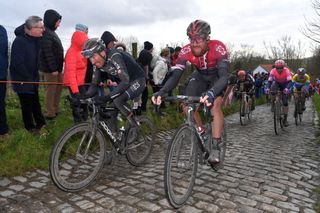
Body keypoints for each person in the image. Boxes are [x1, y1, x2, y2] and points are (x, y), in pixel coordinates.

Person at [152, 20, 229, 165]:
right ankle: (202, 133)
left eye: (199, 38)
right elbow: (175, 77)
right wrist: (162, 91)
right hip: (199, 75)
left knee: (215, 105)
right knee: (186, 105)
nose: (194, 43)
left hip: (216, 76)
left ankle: (216, 145)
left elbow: (224, 76)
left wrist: (212, 92)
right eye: (191, 38)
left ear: (207, 38)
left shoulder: (218, 47)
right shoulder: (186, 51)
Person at [81, 38, 146, 133]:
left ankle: (135, 125)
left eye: (93, 57)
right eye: (90, 58)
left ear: (102, 52)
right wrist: (83, 96)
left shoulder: (114, 56)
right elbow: (94, 85)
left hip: (138, 80)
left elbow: (125, 81)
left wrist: (106, 97)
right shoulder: (98, 63)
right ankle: (116, 137)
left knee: (118, 100)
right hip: (126, 81)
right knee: (110, 109)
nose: (92, 62)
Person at [10, 16, 46, 133]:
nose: (43, 30)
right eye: (41, 27)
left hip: (33, 77)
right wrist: (28, 78)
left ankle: (41, 124)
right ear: (32, 28)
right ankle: (30, 128)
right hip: (22, 79)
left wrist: (35, 76)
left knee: (35, 102)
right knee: (27, 105)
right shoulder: (19, 41)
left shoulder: (36, 40)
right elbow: (17, 63)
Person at [39, 9, 64, 120]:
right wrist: (53, 68)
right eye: (57, 21)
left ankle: (55, 109)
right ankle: (50, 113)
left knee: (58, 89)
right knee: (51, 90)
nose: (59, 24)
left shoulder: (51, 32)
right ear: (51, 20)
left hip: (57, 69)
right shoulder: (45, 33)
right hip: (50, 70)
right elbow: (47, 52)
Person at [63, 30, 89, 123]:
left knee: (84, 102)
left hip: (80, 82)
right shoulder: (71, 53)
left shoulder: (80, 51)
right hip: (74, 84)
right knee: (77, 102)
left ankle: (85, 121)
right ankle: (78, 123)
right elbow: (71, 74)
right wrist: (75, 91)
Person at [266, 59, 292, 127]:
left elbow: (289, 82)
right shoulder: (273, 71)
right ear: (275, 67)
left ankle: (285, 119)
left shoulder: (287, 71)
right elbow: (269, 81)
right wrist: (268, 88)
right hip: (277, 83)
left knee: (285, 102)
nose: (279, 69)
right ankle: (273, 102)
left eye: (281, 68)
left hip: (285, 84)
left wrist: (287, 88)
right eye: (277, 68)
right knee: (273, 88)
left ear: (283, 67)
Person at [0, 25, 9, 138]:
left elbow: (5, 52)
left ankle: (2, 130)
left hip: (1, 73)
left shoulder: (2, 30)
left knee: (0, 102)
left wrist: (4, 67)